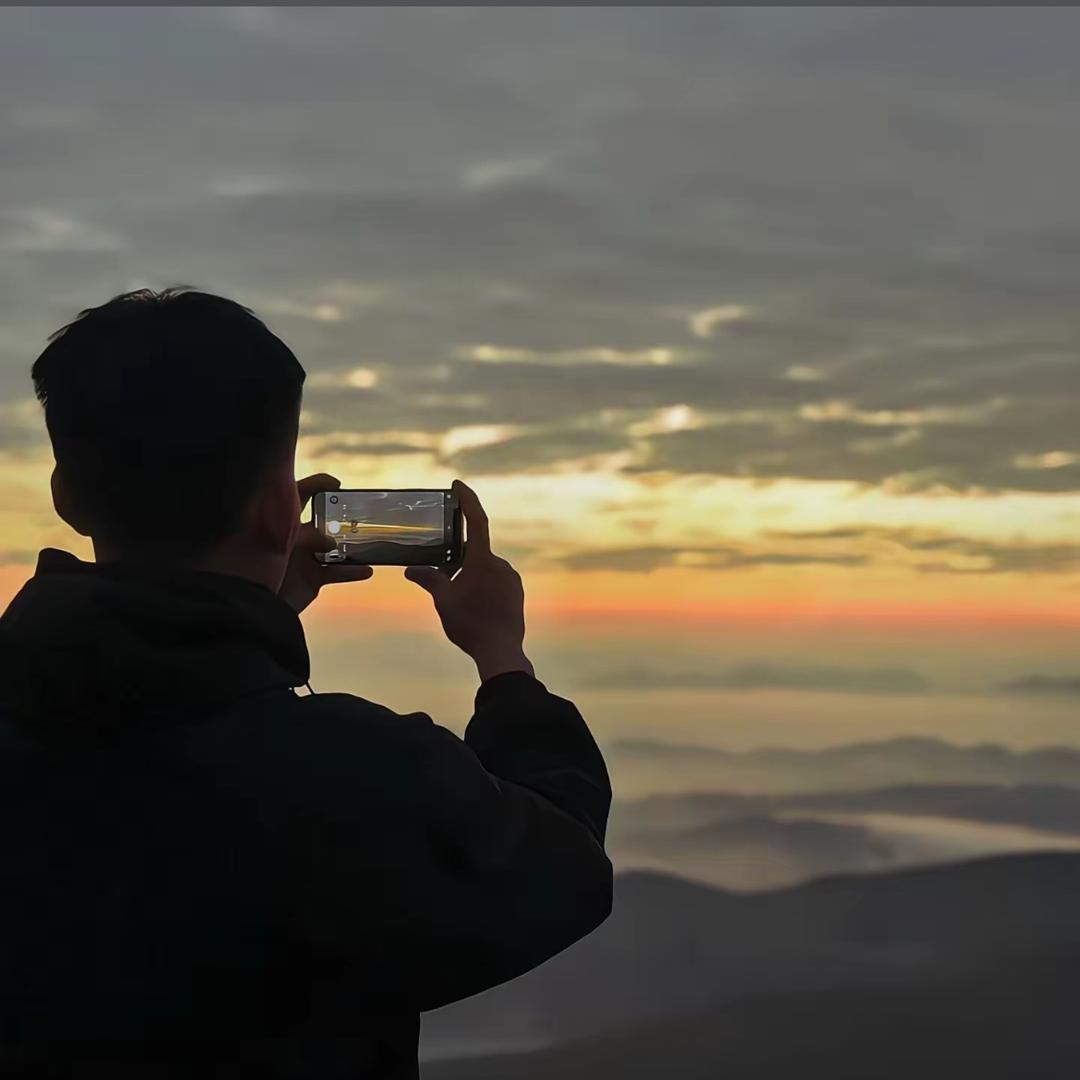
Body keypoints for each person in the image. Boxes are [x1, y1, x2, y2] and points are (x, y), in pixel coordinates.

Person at [0, 288, 613, 1078]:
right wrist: (502, 657)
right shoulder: (352, 775)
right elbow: (560, 869)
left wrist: (263, 606)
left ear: (67, 497)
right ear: (276, 510)